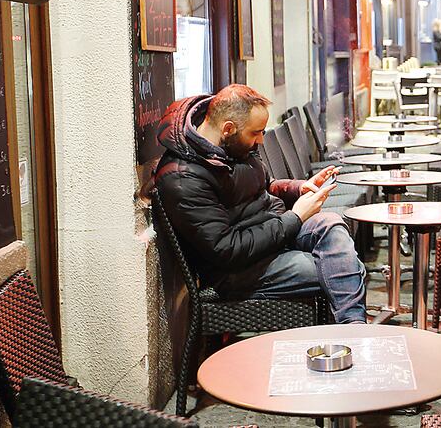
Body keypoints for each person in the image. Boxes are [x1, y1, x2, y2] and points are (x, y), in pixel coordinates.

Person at [155, 84, 368, 323]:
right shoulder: (183, 177)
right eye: (256, 133)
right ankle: (354, 328)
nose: (261, 140)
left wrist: (298, 187)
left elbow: (266, 184)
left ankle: (353, 329)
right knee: (342, 269)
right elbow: (227, 249)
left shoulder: (234, 145)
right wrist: (295, 218)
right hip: (238, 271)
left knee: (331, 223)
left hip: (273, 236)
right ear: (228, 128)